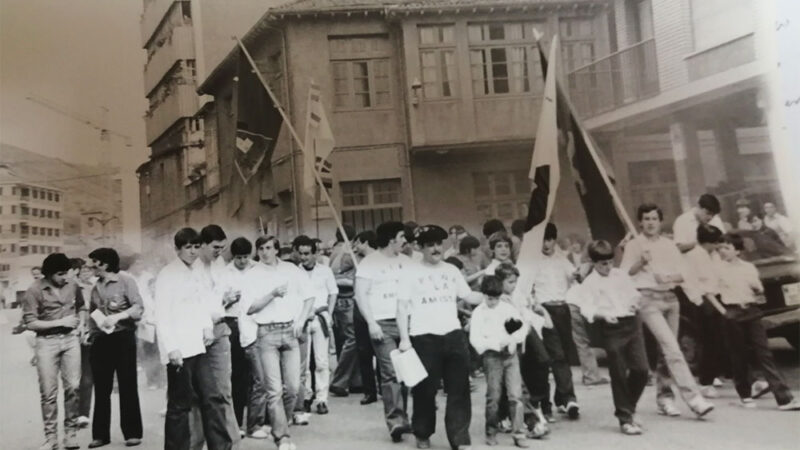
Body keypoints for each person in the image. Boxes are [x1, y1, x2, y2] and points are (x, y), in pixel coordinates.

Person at [620, 204, 714, 418]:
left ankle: (665, 398)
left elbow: (685, 274)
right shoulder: (635, 245)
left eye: (654, 218)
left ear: (660, 221)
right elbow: (625, 274)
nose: (651, 222)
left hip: (671, 300)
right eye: (646, 218)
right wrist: (639, 262)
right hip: (648, 299)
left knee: (667, 351)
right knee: (672, 348)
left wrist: (669, 278)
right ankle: (694, 399)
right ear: (640, 222)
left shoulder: (669, 245)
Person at [396, 225, 484, 450]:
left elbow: (467, 295)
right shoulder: (410, 272)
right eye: (429, 245)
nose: (435, 249)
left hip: (452, 335)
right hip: (423, 337)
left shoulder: (451, 271)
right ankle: (423, 433)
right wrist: (404, 339)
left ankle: (460, 438)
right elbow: (402, 307)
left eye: (438, 244)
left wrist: (491, 294)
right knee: (425, 390)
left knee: (459, 389)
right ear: (420, 247)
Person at [155, 228, 231, 450]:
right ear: (177, 249)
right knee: (180, 406)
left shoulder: (195, 272)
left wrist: (207, 327)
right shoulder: (167, 275)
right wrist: (172, 349)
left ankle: (221, 447)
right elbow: (162, 314)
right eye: (187, 247)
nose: (192, 251)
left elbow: (201, 305)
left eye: (196, 246)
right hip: (179, 350)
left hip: (198, 346)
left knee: (212, 398)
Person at [567, 241, 648, 435]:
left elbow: (633, 295)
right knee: (618, 372)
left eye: (610, 262)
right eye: (603, 264)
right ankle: (625, 418)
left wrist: (635, 304)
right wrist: (602, 315)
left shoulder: (620, 275)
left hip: (631, 323)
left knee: (641, 370)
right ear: (594, 263)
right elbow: (587, 307)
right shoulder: (590, 282)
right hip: (611, 328)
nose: (608, 267)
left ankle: (629, 407)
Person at [242, 235, 314, 450]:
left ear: (276, 250)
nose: (265, 252)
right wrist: (272, 294)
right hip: (266, 333)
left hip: (290, 330)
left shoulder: (291, 270)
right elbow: (250, 307)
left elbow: (310, 297)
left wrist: (301, 320)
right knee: (273, 389)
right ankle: (282, 436)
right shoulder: (252, 275)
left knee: (293, 386)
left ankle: (282, 422)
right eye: (261, 248)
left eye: (269, 248)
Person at [715, 234, 800, 411]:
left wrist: (757, 289)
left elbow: (758, 289)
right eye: (720, 248)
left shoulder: (748, 268)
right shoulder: (718, 269)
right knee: (739, 355)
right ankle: (745, 394)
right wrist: (724, 312)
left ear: (737, 250)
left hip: (752, 311)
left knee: (764, 353)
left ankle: (784, 398)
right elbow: (707, 291)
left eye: (726, 248)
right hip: (733, 311)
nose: (722, 251)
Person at [355, 221, 414, 442]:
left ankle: (404, 416)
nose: (405, 241)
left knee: (405, 372)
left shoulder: (407, 262)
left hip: (406, 323)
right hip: (382, 323)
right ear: (391, 239)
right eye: (401, 237)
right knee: (389, 372)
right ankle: (395, 421)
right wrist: (371, 323)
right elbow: (361, 295)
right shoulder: (370, 263)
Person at [22, 253, 86, 450]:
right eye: (60, 274)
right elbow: (30, 322)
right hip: (46, 343)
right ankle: (51, 438)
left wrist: (81, 324)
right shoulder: (34, 290)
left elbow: (82, 307)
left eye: (66, 273)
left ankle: (71, 433)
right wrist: (60, 322)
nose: (65, 277)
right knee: (49, 392)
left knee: (74, 387)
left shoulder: (73, 285)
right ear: (48, 274)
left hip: (70, 340)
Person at [86, 248, 144, 448]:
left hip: (123, 338)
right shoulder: (96, 287)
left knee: (128, 385)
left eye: (94, 262)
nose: (91, 266)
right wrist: (90, 332)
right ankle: (100, 435)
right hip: (101, 340)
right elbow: (93, 313)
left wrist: (118, 317)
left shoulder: (126, 281)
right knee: (102, 388)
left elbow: (138, 308)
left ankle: (132, 433)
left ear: (104, 264)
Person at [528, 223, 580, 420]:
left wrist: (579, 271)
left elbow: (574, 275)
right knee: (556, 354)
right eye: (542, 240)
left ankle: (561, 399)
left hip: (563, 308)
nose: (546, 244)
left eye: (549, 239)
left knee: (564, 353)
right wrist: (536, 308)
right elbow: (527, 288)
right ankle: (569, 398)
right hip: (544, 310)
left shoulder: (561, 259)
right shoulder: (532, 262)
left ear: (554, 240)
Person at [470, 275, 529, 448]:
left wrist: (513, 341)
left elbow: (521, 327)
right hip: (492, 357)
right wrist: (495, 344)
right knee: (493, 396)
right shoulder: (479, 313)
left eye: (496, 298)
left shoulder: (507, 309)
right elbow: (475, 339)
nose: (493, 302)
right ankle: (491, 431)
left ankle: (519, 433)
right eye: (490, 298)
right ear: (483, 295)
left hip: (510, 356)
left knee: (515, 395)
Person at [226, 237, 270, 439]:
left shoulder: (259, 270)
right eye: (238, 258)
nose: (242, 261)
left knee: (259, 376)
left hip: (255, 324)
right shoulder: (225, 273)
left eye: (245, 257)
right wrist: (228, 300)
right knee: (237, 375)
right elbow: (217, 302)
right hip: (233, 323)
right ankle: (236, 422)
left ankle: (257, 422)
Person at [294, 235, 338, 415]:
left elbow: (333, 292)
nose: (304, 257)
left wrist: (329, 313)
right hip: (303, 319)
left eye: (307, 253)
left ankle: (322, 399)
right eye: (301, 253)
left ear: (315, 254)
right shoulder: (295, 272)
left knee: (321, 361)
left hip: (320, 317)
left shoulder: (325, 271)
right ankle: (306, 397)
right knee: (303, 364)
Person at [72, 258, 96, 428]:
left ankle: (83, 413)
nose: (87, 273)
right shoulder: (72, 288)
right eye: (84, 270)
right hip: (74, 334)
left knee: (87, 376)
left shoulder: (96, 288)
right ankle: (73, 413)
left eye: (90, 270)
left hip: (92, 334)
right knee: (74, 379)